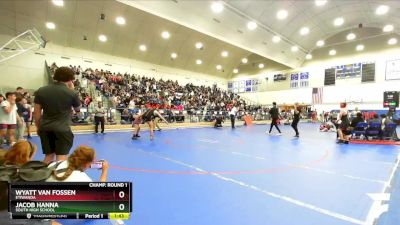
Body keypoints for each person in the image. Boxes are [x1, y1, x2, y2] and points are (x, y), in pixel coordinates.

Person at [34, 67, 81, 164]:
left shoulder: (41, 90)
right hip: (62, 129)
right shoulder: (71, 93)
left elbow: (37, 113)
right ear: (70, 79)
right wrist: (72, 90)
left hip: (45, 128)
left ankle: (41, 177)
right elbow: (78, 109)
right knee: (61, 158)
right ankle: (59, 178)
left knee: (48, 156)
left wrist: (39, 127)